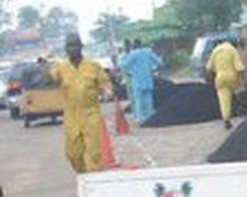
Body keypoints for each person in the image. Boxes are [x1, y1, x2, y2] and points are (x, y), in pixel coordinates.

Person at [50, 33, 113, 173]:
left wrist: (107, 91)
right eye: (69, 46)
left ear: (81, 47)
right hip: (71, 113)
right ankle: (83, 173)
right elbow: (52, 77)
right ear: (65, 49)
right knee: (73, 153)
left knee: (94, 152)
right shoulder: (60, 67)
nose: (72, 49)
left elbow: (105, 83)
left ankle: (94, 178)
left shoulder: (93, 66)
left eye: (75, 45)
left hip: (91, 112)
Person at [120, 39, 163, 123]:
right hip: (148, 80)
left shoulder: (133, 54)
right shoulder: (148, 52)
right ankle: (149, 117)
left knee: (138, 100)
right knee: (148, 99)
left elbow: (125, 65)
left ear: (134, 45)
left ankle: (140, 118)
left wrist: (120, 60)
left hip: (137, 81)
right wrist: (161, 57)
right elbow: (159, 63)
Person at [206, 39, 245, 130]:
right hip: (232, 77)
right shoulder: (232, 50)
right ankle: (244, 109)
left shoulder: (215, 51)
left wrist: (210, 80)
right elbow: (239, 68)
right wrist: (242, 80)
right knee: (240, 93)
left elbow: (208, 68)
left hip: (220, 78)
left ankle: (226, 119)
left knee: (224, 100)